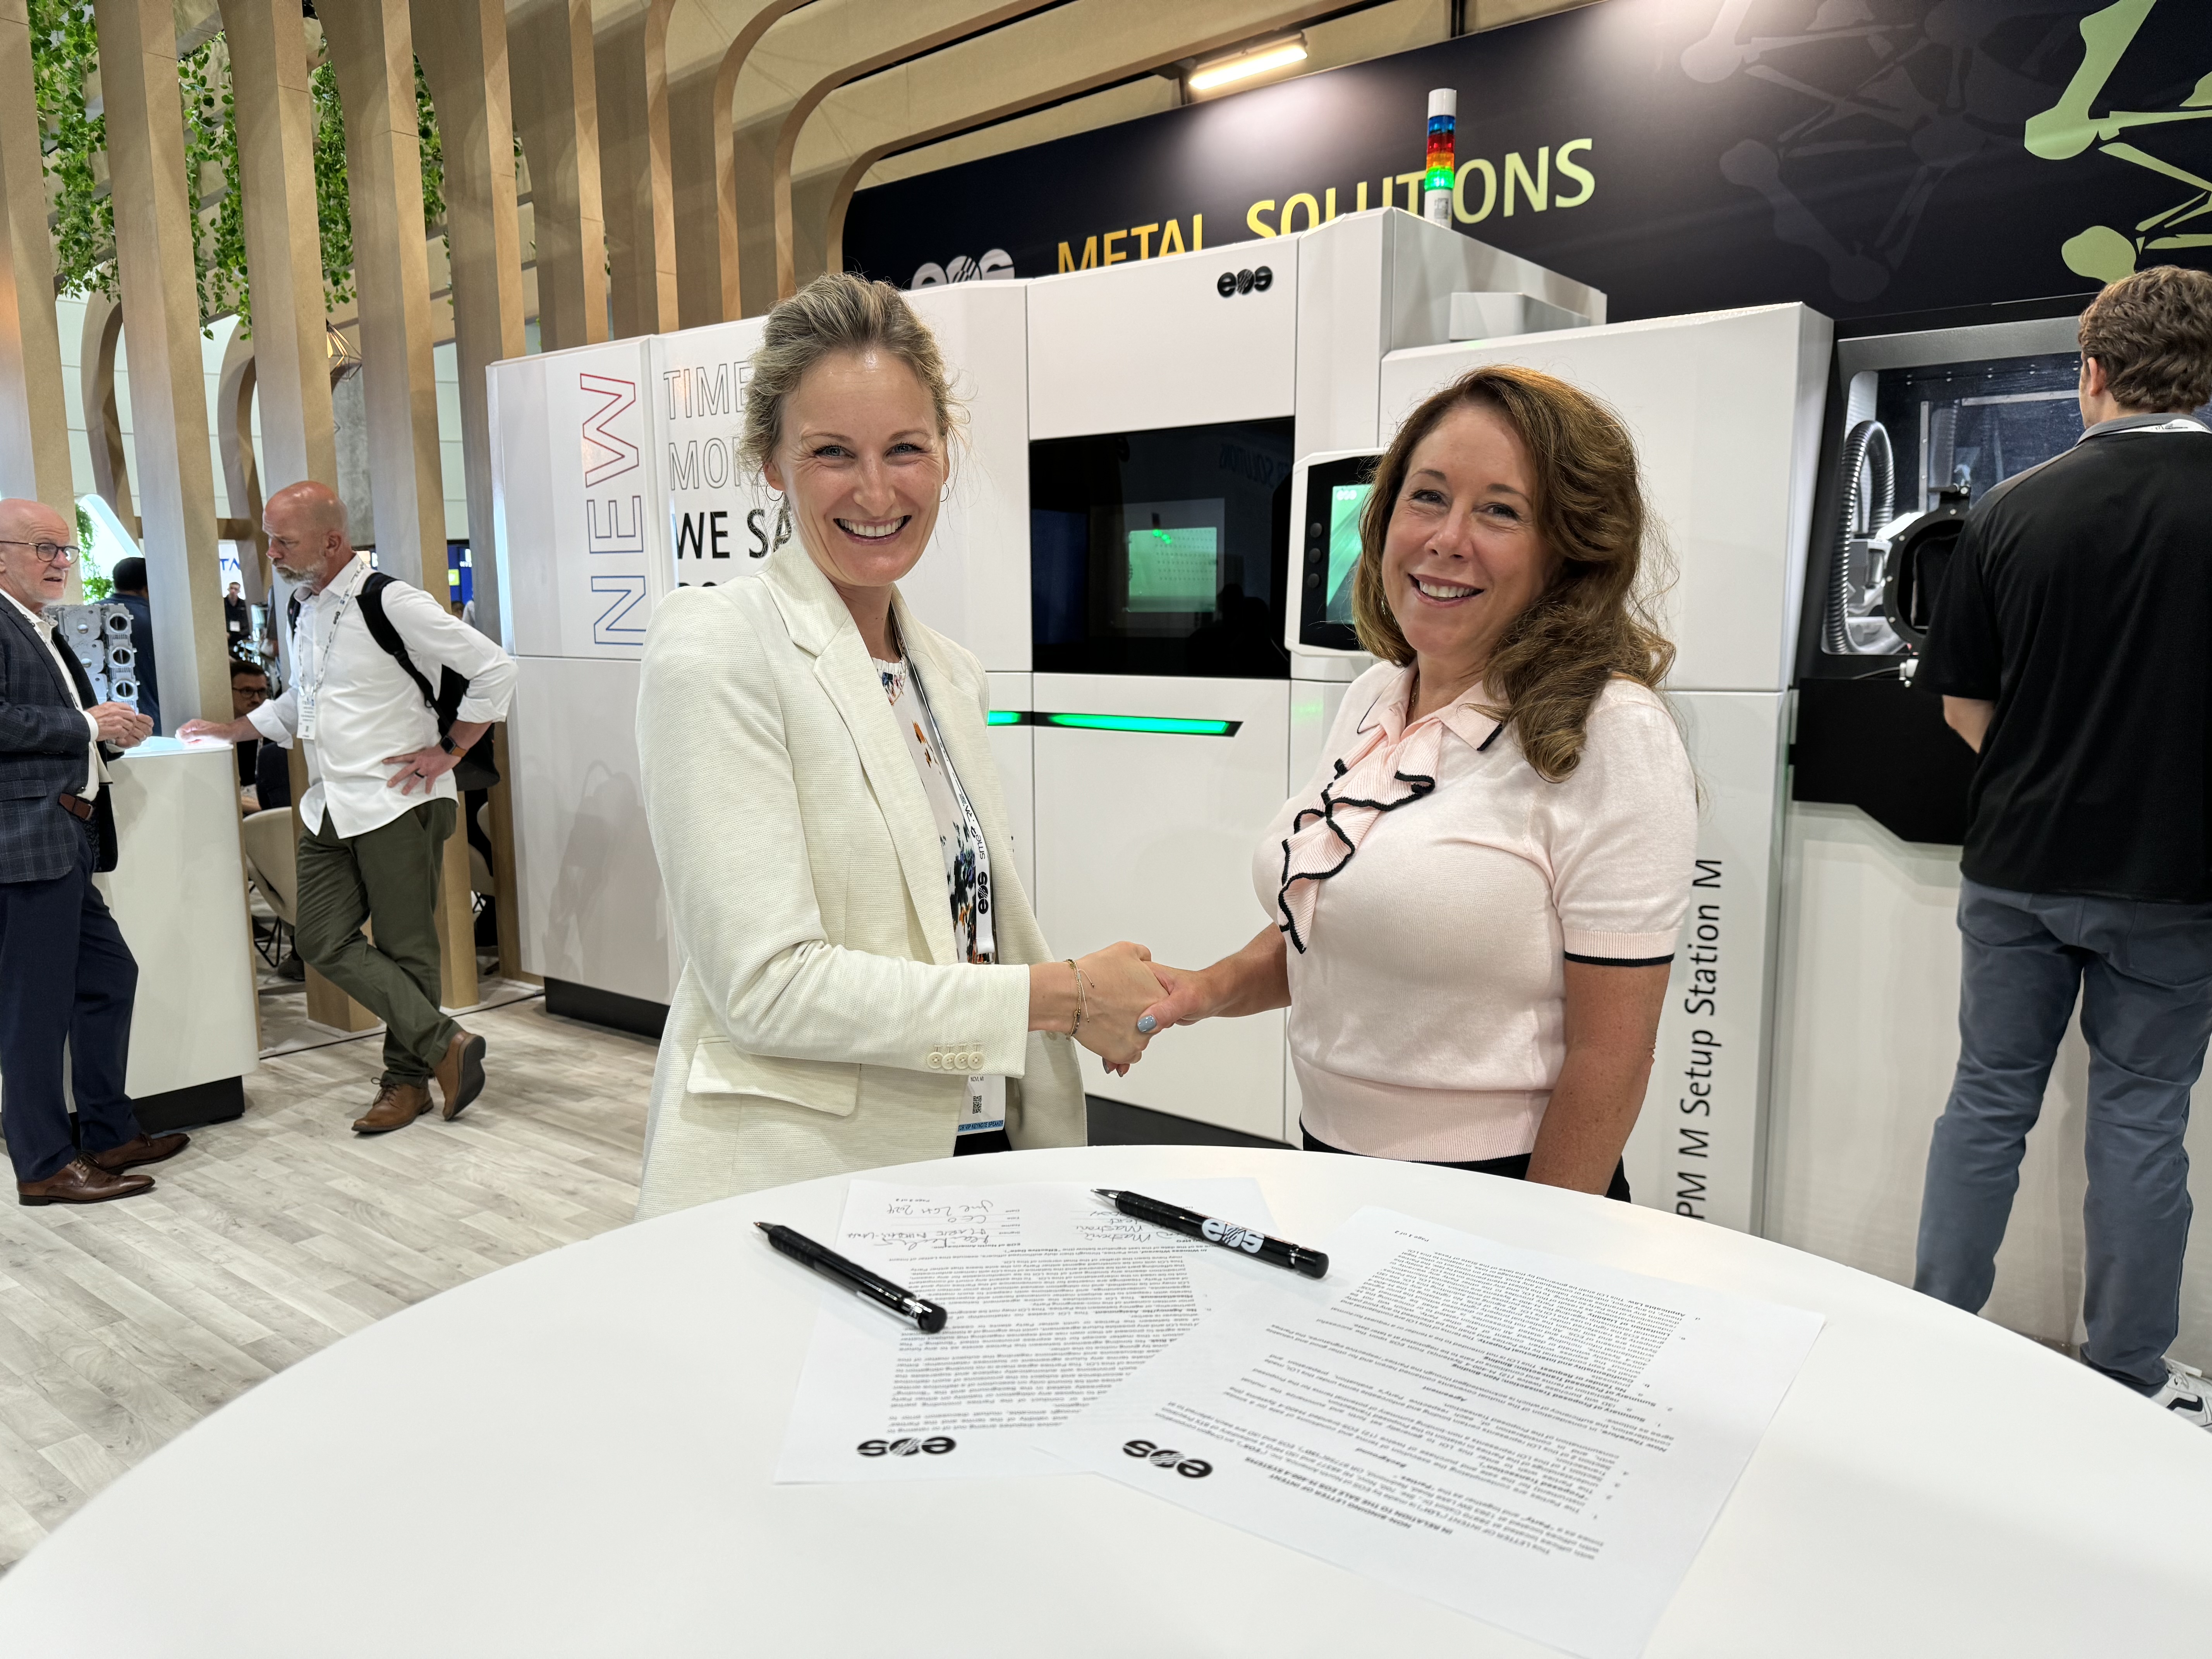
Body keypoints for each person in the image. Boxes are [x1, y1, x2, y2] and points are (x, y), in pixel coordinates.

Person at [632, 272, 1160, 1218]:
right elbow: (767, 989)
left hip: (973, 1143)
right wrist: (1064, 996)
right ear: (772, 462)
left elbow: (963, 932)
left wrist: (1093, 996)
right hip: (799, 1183)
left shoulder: (949, 674)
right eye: (832, 452)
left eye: (905, 449)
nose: (876, 490)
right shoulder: (720, 646)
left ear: (945, 454)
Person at [1135, 366, 1697, 1196]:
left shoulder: (1613, 731)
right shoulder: (1375, 696)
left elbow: (1612, 1055)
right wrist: (1205, 990)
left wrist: (1539, 1245)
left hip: (1503, 1189)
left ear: (1569, 552)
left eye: (1500, 511)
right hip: (1329, 1161)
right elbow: (1334, 924)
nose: (1447, 538)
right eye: (1427, 497)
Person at [1912, 264, 2212, 1427]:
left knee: (1986, 1102)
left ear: (2091, 374)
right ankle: (2128, 1383)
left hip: (2017, 868)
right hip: (2177, 883)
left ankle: (1932, 1340)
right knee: (2142, 1123)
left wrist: (2043, 769)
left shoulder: (2009, 510)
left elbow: (1962, 706)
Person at [180, 482, 515, 1135]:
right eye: (270, 539)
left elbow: (495, 668)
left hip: (398, 800)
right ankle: (442, 1040)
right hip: (329, 803)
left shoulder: (390, 600)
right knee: (320, 939)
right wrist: (235, 729)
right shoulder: (303, 606)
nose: (272, 552)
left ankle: (406, 1082)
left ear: (332, 540)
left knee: (407, 947)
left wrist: (450, 750)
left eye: (285, 540)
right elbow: (304, 699)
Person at [0, 499, 185, 1204]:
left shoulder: (36, 624)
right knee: (35, 1010)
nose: (61, 562)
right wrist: (86, 723)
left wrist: (111, 735)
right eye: (43, 548)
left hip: (66, 836)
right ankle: (44, 1164)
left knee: (109, 977)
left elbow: (61, 726)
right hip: (25, 842)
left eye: (65, 550)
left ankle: (108, 1132)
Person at [109, 554, 159, 733]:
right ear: (149, 587)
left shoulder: (90, 616)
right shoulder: (159, 619)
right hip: (154, 724)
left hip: (108, 726)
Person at [228, 656, 270, 801]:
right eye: (247, 691)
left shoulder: (273, 736)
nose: (257, 699)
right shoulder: (218, 737)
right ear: (228, 691)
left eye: (262, 692)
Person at [223, 580, 249, 649]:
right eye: (231, 588)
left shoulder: (243, 604)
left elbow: (246, 621)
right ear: (229, 589)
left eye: (236, 589)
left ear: (239, 591)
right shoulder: (223, 603)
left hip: (241, 634)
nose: (233, 591)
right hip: (228, 634)